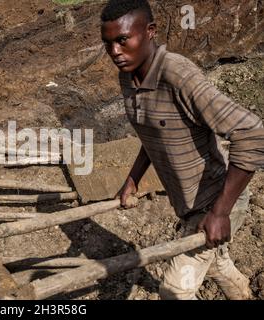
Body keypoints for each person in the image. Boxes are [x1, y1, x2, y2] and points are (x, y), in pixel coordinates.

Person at [101, 0, 264, 299]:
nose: (115, 52)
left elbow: (251, 132)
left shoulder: (178, 75)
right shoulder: (128, 77)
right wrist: (133, 179)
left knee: (173, 292)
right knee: (216, 264)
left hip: (218, 201)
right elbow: (154, 133)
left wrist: (220, 213)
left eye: (123, 40)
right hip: (189, 205)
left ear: (150, 31)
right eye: (108, 43)